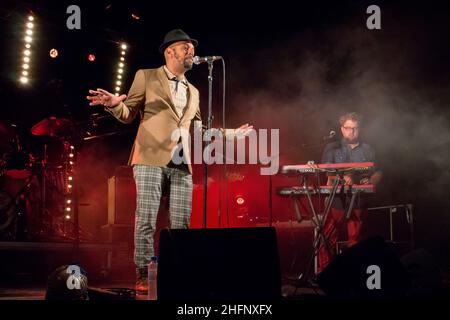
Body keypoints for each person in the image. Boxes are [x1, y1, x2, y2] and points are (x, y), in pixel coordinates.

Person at [86, 29, 252, 294]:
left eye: (193, 48)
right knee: (147, 220)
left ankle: (178, 272)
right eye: (185, 47)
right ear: (169, 51)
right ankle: (143, 274)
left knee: (181, 223)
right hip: (150, 157)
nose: (191, 52)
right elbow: (128, 114)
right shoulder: (146, 76)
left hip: (181, 161)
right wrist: (112, 104)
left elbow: (197, 131)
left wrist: (231, 134)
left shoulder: (195, 91)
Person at [318, 112, 382, 273]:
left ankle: (355, 273)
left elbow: (378, 171)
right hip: (335, 198)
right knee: (327, 237)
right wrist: (344, 176)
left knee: (356, 239)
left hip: (358, 199)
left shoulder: (368, 149)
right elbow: (327, 172)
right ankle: (325, 272)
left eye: (355, 128)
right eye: (348, 128)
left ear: (360, 129)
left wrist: (371, 182)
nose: (351, 132)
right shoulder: (332, 148)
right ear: (341, 129)